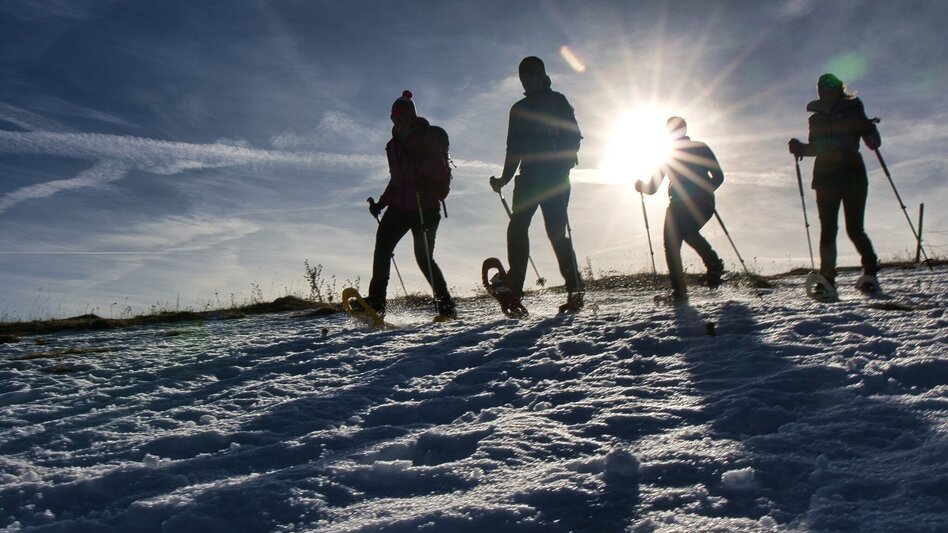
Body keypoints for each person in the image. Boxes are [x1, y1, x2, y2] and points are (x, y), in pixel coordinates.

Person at [489, 56, 584, 312]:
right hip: (529, 177)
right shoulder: (518, 109)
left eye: (531, 75)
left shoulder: (557, 101)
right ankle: (515, 284)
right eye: (523, 76)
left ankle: (575, 288)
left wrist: (564, 160)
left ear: (542, 76)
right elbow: (514, 148)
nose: (527, 80)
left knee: (555, 232)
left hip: (554, 177)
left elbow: (574, 136)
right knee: (518, 226)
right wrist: (504, 179)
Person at [364, 90, 455, 318]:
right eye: (395, 119)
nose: (400, 123)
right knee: (382, 246)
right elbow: (396, 180)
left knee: (423, 257)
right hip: (399, 206)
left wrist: (421, 168)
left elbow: (439, 170)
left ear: (412, 117)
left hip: (425, 206)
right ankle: (376, 302)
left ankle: (446, 305)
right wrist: (382, 204)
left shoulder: (427, 138)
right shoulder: (392, 146)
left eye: (403, 118)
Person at [788, 73, 881, 295]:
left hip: (852, 175)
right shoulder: (815, 117)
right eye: (821, 89)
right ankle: (827, 276)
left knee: (854, 228)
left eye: (829, 88)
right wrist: (801, 148)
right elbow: (818, 147)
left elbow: (873, 143)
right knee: (828, 229)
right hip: (826, 177)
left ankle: (870, 272)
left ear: (838, 90)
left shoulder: (854, 108)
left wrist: (869, 129)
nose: (824, 92)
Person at [635, 117, 725, 304]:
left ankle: (682, 290)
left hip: (693, 203)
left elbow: (651, 188)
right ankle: (710, 267)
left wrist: (641, 186)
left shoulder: (671, 154)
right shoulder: (698, 148)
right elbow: (718, 177)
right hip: (693, 203)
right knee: (682, 237)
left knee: (674, 244)